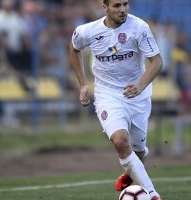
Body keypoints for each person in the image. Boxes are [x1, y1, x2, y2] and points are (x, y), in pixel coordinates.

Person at [68, 0, 163, 199]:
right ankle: (153, 194)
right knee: (120, 142)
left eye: (126, 4)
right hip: (108, 95)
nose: (123, 10)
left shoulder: (139, 27)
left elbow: (156, 61)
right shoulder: (87, 31)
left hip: (138, 95)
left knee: (137, 151)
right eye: (117, 5)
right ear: (105, 7)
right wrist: (83, 84)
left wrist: (139, 86)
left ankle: (131, 170)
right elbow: (74, 47)